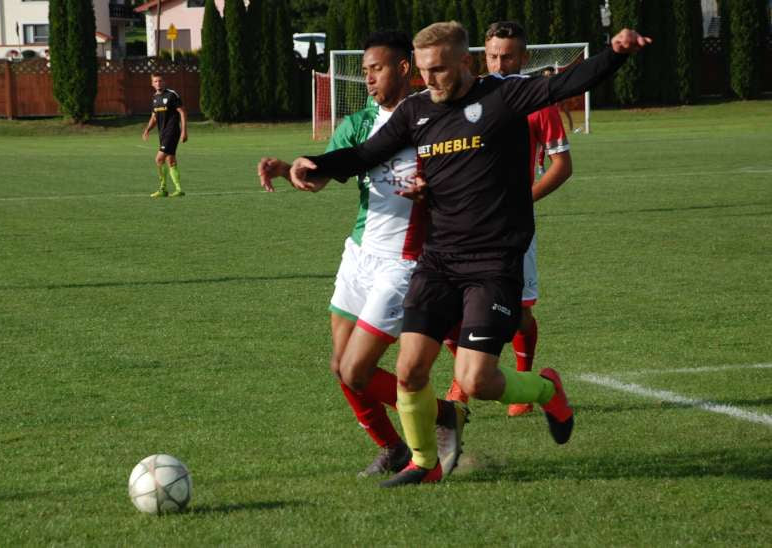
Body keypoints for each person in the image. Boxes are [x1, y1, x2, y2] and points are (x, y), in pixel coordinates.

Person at [289, 22, 650, 487]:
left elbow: (567, 83)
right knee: (410, 368)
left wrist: (615, 53)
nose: (430, 80)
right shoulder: (417, 109)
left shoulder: (503, 96)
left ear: (467, 63)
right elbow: (366, 154)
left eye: (439, 69)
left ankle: (546, 390)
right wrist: (313, 163)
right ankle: (425, 463)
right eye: (423, 71)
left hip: (493, 262)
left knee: (477, 381)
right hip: (438, 260)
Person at [257, 31, 469, 479]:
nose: (368, 79)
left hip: (404, 262)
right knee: (341, 366)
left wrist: (431, 196)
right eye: (365, 71)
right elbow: (318, 176)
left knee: (357, 369)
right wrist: (288, 168)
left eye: (377, 69)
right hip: (359, 255)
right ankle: (391, 446)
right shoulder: (357, 124)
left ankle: (443, 415)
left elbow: (460, 189)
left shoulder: (434, 121)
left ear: (405, 69)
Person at [444, 22, 574, 419]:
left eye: (509, 56)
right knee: (449, 303)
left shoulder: (537, 101)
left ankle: (524, 377)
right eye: (494, 55)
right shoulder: (471, 95)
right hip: (465, 222)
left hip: (513, 228)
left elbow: (562, 166)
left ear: (525, 57)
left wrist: (519, 201)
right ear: (484, 55)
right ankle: (461, 378)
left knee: (518, 310)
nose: (500, 63)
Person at [142, 73, 187, 198]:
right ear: (152, 84)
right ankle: (179, 190)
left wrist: (184, 131)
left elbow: (182, 112)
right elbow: (154, 117)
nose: (158, 83)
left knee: (159, 159)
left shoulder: (171, 95)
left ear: (164, 82)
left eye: (160, 81)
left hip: (172, 132)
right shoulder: (155, 98)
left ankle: (163, 188)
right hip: (162, 133)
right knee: (170, 160)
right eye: (155, 81)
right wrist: (147, 130)